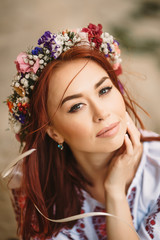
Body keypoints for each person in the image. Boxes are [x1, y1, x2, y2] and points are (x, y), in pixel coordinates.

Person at [3, 23, 160, 240]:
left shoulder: (157, 169)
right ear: (54, 132)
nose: (102, 113)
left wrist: (114, 192)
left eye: (104, 90)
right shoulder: (35, 187)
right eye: (76, 106)